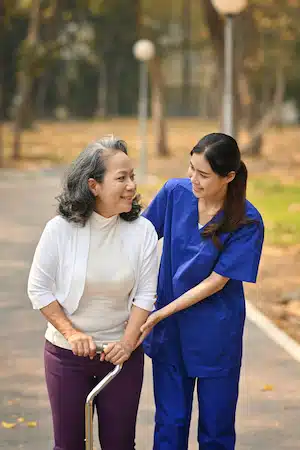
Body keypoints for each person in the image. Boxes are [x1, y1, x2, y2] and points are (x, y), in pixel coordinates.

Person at [27, 136, 158, 450]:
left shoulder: (143, 231)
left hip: (120, 357)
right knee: (69, 444)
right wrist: (72, 333)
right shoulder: (59, 230)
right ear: (94, 185)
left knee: (120, 444)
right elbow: (39, 287)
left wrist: (127, 344)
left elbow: (146, 294)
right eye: (121, 178)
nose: (131, 185)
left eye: (132, 177)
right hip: (66, 355)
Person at [139, 133, 264, 450]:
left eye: (203, 175)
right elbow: (138, 240)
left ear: (229, 177)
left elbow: (217, 282)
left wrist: (160, 311)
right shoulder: (174, 193)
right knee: (170, 423)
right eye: (191, 168)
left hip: (215, 335)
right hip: (169, 333)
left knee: (216, 429)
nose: (193, 179)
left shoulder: (246, 221)